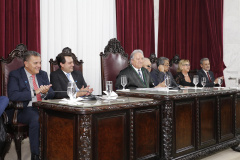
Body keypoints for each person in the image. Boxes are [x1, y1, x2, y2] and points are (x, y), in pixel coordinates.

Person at [7, 51, 54, 160]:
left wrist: (45, 92)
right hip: (24, 109)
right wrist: (35, 92)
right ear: (26, 64)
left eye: (40, 63)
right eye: (35, 63)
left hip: (42, 107)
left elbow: (52, 93)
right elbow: (13, 95)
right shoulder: (15, 74)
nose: (39, 66)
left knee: (59, 116)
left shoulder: (43, 74)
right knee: (36, 118)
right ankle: (36, 155)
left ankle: (54, 151)